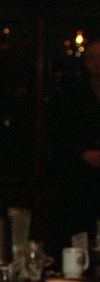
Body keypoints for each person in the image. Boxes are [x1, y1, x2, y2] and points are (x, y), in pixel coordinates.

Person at [52, 39, 100, 253]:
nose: (97, 63)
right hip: (80, 182)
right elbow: (60, 133)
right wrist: (83, 153)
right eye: (92, 58)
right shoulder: (73, 94)